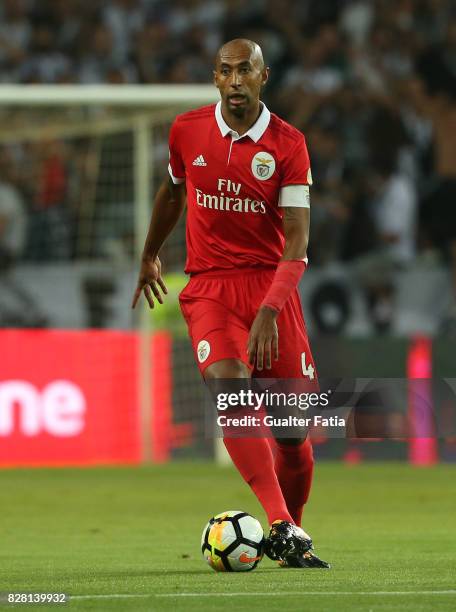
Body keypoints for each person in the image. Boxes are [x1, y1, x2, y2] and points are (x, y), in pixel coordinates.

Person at [132, 38, 329, 569]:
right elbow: (174, 190)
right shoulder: (187, 130)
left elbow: (296, 243)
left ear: (264, 78)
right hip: (211, 285)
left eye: (246, 70)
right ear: (215, 78)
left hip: (271, 289)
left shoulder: (289, 146)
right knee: (230, 389)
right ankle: (280, 522)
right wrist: (150, 254)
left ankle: (295, 531)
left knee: (292, 434)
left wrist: (268, 310)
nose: (235, 80)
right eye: (226, 71)